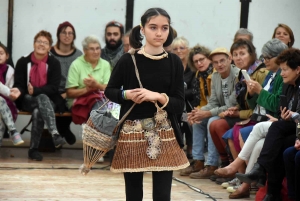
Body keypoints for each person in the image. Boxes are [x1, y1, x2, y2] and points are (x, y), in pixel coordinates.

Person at [104, 8, 189, 201]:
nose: (159, 33)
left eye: (164, 28)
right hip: (132, 131)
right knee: (133, 194)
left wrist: (157, 96)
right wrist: (127, 94)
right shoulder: (128, 60)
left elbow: (178, 104)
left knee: (162, 195)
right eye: (153, 27)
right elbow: (110, 91)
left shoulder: (174, 62)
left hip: (165, 132)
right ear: (142, 30)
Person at [213, 38, 286, 199]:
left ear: (280, 57)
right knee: (251, 139)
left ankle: (239, 174)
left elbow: (275, 104)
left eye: (268, 57)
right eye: (264, 57)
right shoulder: (271, 75)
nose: (265, 60)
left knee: (245, 131)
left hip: (270, 120)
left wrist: (259, 91)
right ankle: (244, 181)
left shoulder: (279, 75)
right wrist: (253, 93)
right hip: (264, 118)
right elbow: (256, 103)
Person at [236, 48, 300, 201]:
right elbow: (280, 109)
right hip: (292, 127)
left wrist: (293, 116)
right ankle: (271, 192)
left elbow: (295, 113)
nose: (282, 73)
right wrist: (284, 116)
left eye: (285, 69)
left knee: (277, 132)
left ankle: (263, 175)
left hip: (296, 128)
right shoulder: (287, 85)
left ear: (298, 69)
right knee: (280, 143)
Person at [180, 47, 239, 179]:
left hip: (235, 113)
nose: (219, 64)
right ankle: (198, 161)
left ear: (230, 59)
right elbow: (213, 101)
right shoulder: (215, 76)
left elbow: (231, 105)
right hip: (220, 111)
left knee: (212, 121)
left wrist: (206, 113)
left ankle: (211, 165)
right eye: (216, 62)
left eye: (222, 61)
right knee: (197, 121)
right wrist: (198, 113)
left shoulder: (237, 75)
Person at [209, 39, 268, 165]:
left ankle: (233, 167)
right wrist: (235, 108)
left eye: (242, 54)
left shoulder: (261, 73)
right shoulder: (241, 74)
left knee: (218, 125)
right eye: (235, 54)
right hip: (246, 113)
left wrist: (238, 114)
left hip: (259, 117)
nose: (238, 58)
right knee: (213, 124)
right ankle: (226, 163)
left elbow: (260, 108)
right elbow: (241, 101)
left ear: (251, 54)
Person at [13, 30, 65, 161]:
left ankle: (33, 150)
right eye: (39, 41)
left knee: (38, 110)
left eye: (45, 43)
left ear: (49, 47)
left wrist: (36, 90)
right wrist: (20, 91)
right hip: (26, 99)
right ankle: (55, 134)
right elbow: (19, 84)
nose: (41, 44)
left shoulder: (54, 63)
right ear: (33, 44)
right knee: (40, 99)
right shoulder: (23, 62)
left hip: (49, 99)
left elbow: (54, 88)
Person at [50, 21, 82, 145]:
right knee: (53, 104)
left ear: (74, 36)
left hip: (71, 91)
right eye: (64, 32)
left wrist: (68, 93)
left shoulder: (79, 55)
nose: (67, 35)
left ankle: (63, 129)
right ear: (58, 35)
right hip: (53, 91)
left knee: (73, 104)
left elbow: (81, 77)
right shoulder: (50, 53)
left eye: (70, 33)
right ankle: (60, 131)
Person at [66, 35, 111, 121]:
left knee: (101, 105)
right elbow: (69, 93)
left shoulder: (105, 64)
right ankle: (97, 129)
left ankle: (95, 129)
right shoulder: (76, 64)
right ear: (85, 50)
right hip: (80, 101)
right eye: (92, 49)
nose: (96, 52)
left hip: (100, 100)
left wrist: (97, 85)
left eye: (98, 48)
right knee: (100, 107)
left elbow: (109, 88)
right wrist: (87, 90)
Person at [171, 37, 194, 158]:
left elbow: (194, 90)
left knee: (186, 120)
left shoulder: (193, 68)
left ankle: (190, 148)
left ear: (187, 50)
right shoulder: (171, 67)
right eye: (175, 49)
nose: (179, 51)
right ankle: (175, 149)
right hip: (175, 104)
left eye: (182, 48)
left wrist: (180, 93)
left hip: (189, 106)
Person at [0, 42, 24, 146]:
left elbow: (12, 94)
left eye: (1, 53)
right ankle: (13, 130)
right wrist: (8, 92)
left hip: (6, 104)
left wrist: (10, 93)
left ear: (7, 55)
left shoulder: (10, 70)